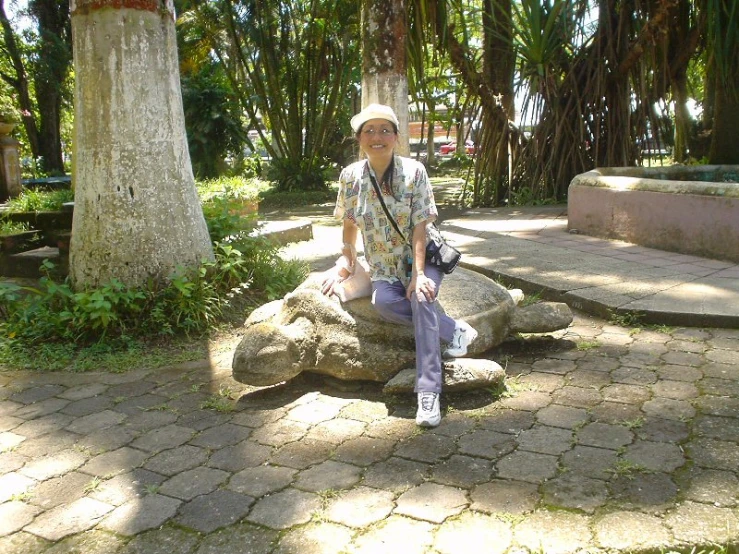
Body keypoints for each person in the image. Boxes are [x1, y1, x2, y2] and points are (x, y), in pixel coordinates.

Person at [322, 103, 477, 427]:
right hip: (383, 266)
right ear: (359, 138)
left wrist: (419, 275)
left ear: (395, 136)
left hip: (421, 257)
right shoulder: (350, 177)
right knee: (386, 304)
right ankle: (454, 329)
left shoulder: (414, 172)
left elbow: (420, 225)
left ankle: (428, 392)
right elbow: (349, 222)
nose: (377, 136)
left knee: (421, 299)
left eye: (384, 130)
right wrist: (346, 260)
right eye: (369, 130)